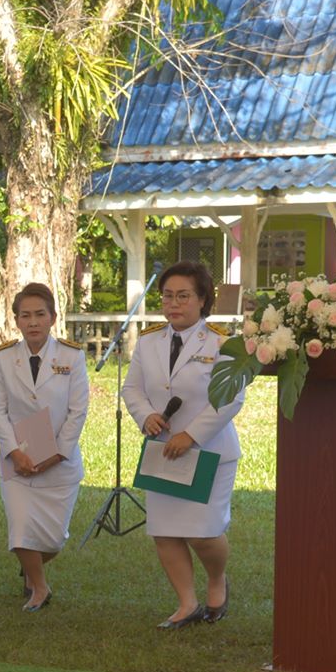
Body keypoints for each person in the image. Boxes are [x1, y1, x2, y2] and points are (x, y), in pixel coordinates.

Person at [121, 262, 242, 629]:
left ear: (203, 299)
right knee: (164, 530)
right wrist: (145, 417)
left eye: (183, 296)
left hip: (208, 451)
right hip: (162, 450)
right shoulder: (147, 342)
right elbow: (133, 389)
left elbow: (231, 398)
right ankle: (187, 604)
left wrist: (191, 435)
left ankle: (217, 581)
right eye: (168, 296)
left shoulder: (224, 343)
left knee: (202, 533)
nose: (174, 304)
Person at [0, 283, 89, 612]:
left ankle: (32, 565)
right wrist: (14, 452)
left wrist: (58, 453)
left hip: (59, 462)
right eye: (25, 315)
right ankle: (39, 588)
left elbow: (78, 411)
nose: (33, 322)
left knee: (52, 539)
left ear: (53, 318)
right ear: (16, 320)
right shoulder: (4, 359)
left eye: (39, 315)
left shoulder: (71, 356)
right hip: (18, 460)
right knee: (20, 528)